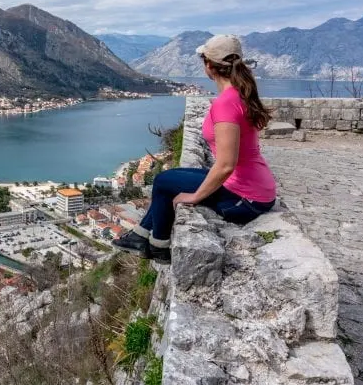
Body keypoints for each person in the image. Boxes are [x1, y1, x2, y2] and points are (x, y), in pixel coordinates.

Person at [112, 34, 277, 261]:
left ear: (209, 65)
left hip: (245, 199)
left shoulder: (227, 103)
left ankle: (159, 246)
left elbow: (227, 164)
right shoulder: (238, 96)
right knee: (168, 177)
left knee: (162, 182)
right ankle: (141, 236)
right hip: (254, 188)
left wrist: (195, 196)